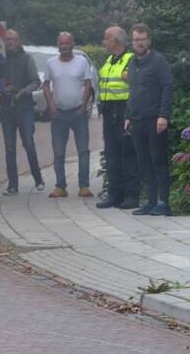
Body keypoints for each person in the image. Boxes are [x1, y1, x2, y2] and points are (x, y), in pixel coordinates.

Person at [125, 24, 174, 216]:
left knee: (158, 161)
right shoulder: (132, 63)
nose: (140, 43)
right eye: (136, 39)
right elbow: (132, 91)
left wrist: (163, 115)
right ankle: (151, 201)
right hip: (137, 121)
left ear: (149, 41)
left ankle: (163, 203)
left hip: (155, 120)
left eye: (143, 39)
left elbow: (167, 88)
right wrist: (128, 116)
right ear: (132, 42)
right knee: (144, 162)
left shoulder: (159, 62)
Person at [42, 31, 94, 198]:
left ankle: (84, 186)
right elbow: (45, 84)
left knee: (83, 151)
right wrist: (51, 105)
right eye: (61, 43)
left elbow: (87, 85)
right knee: (58, 152)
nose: (64, 46)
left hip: (78, 113)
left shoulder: (81, 62)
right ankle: (60, 187)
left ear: (73, 44)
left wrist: (83, 106)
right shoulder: (51, 63)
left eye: (67, 43)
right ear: (58, 45)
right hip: (59, 114)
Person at [96, 26, 140, 209]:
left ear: (115, 41)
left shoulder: (130, 59)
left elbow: (136, 82)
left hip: (124, 110)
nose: (104, 42)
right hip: (109, 111)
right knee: (111, 154)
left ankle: (131, 196)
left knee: (128, 153)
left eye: (106, 38)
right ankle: (114, 194)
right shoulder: (109, 60)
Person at [0, 29, 45, 195]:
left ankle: (38, 179)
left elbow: (36, 81)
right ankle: (12, 185)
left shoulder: (26, 59)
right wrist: (1, 89)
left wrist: (24, 91)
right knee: (9, 147)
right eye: (7, 39)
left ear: (18, 41)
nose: (10, 42)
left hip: (24, 107)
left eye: (13, 39)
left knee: (29, 144)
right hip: (6, 109)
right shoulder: (0, 60)